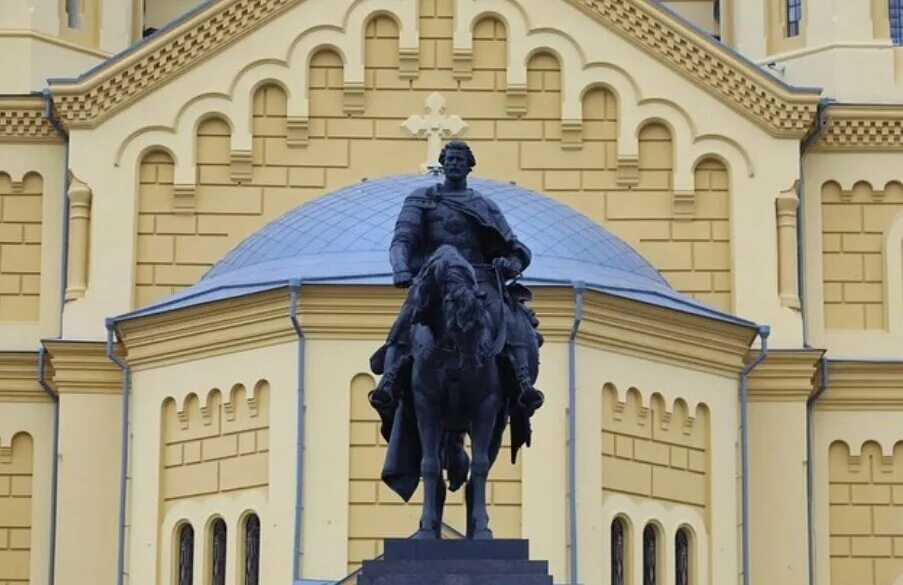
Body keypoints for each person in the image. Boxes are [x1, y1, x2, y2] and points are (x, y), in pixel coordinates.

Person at [369, 141, 544, 413]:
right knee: (408, 318)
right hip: (435, 274)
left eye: (459, 160)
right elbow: (403, 238)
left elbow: (514, 246)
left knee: (508, 314)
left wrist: (508, 263)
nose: (453, 163)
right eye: (449, 158)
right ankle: (389, 380)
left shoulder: (483, 205)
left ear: (468, 166)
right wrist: (400, 267)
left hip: (478, 275)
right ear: (442, 163)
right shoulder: (422, 199)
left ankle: (523, 381)